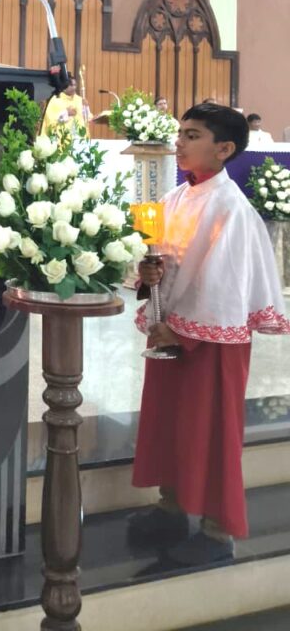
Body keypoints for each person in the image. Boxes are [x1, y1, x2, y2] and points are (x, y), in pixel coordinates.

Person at [129, 104, 290, 565]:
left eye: (193, 135)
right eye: (180, 133)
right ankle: (172, 507)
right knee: (169, 422)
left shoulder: (231, 207)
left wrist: (181, 333)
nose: (179, 142)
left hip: (212, 340)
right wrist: (149, 274)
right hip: (171, 330)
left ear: (224, 149)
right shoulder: (176, 198)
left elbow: (226, 282)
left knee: (210, 431)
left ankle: (219, 532)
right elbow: (162, 260)